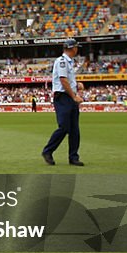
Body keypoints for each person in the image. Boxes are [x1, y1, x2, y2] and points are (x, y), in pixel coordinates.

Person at [41, 38, 84, 166]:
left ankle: (73, 157)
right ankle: (48, 151)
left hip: (68, 96)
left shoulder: (69, 62)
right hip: (63, 97)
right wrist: (74, 96)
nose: (77, 49)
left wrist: (77, 86)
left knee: (74, 129)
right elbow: (63, 80)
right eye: (76, 47)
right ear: (72, 48)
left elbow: (68, 81)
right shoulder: (62, 62)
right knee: (64, 127)